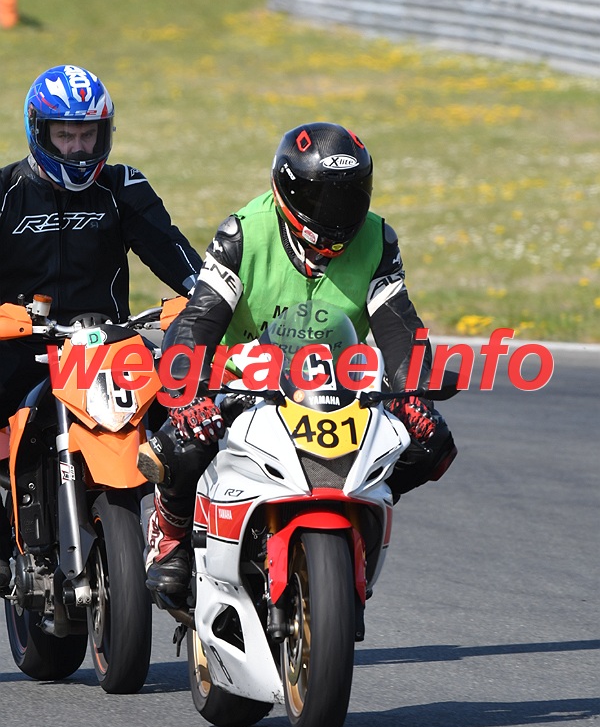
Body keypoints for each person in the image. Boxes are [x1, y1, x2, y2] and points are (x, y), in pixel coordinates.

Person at [140, 121, 458, 607]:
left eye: (349, 196)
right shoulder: (243, 234)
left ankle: (359, 511)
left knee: (433, 441)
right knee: (183, 440)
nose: (337, 213)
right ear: (287, 191)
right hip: (244, 380)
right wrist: (190, 393)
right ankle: (171, 529)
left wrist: (413, 393)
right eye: (321, 198)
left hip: (336, 384)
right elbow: (198, 319)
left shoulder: (377, 239)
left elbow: (399, 328)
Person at [0, 64, 203, 591]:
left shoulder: (122, 187)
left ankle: (180, 541)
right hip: (19, 349)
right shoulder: (5, 192)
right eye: (64, 135)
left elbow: (179, 259)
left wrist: (209, 299)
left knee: (196, 414)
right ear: (39, 131)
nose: (76, 148)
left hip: (108, 352)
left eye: (87, 134)